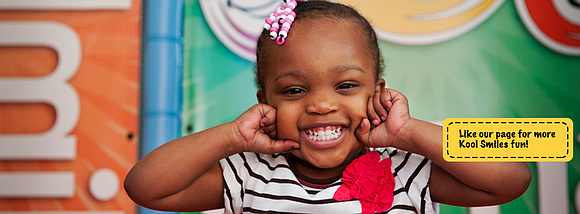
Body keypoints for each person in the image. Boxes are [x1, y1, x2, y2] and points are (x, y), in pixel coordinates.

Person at [124, 1, 531, 213]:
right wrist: (231, 136)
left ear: (379, 92)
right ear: (265, 105)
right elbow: (145, 188)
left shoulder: (404, 168)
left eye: (346, 85)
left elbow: (511, 179)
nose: (320, 104)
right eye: (294, 91)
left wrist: (407, 132)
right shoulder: (249, 175)